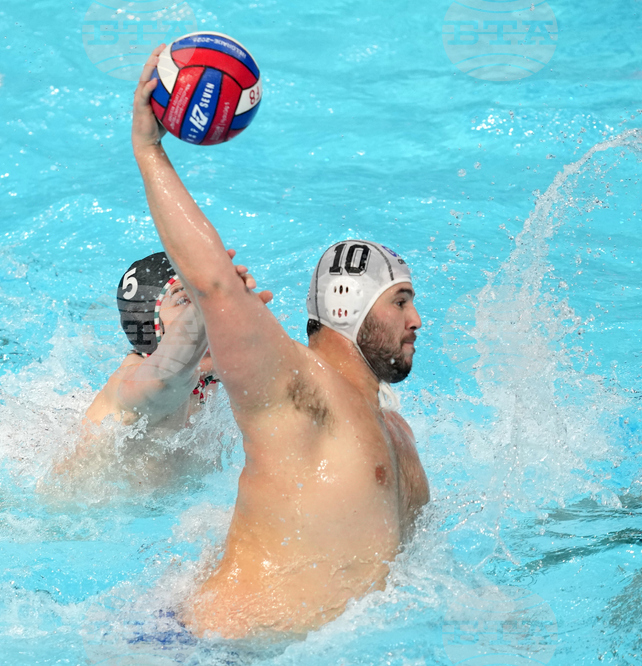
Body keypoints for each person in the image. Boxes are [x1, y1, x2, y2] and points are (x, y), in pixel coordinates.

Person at [130, 45, 429, 638]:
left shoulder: (399, 436)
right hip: (199, 651)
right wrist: (149, 150)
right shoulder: (299, 390)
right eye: (400, 301)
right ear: (351, 309)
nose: (417, 319)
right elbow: (214, 282)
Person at [39, 251, 270, 497]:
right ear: (150, 326)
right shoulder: (134, 384)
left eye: (204, 299)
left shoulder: (210, 376)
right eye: (184, 300)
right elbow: (166, 376)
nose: (210, 310)